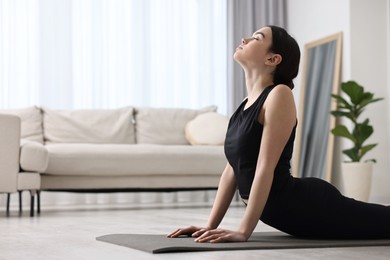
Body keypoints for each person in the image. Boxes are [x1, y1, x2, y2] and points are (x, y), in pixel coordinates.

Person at [168, 25, 390, 243]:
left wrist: (243, 231)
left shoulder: (279, 95)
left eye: (257, 37)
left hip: (307, 205)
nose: (245, 39)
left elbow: (266, 167)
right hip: (288, 215)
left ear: (273, 59)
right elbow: (231, 170)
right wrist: (209, 226)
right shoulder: (244, 105)